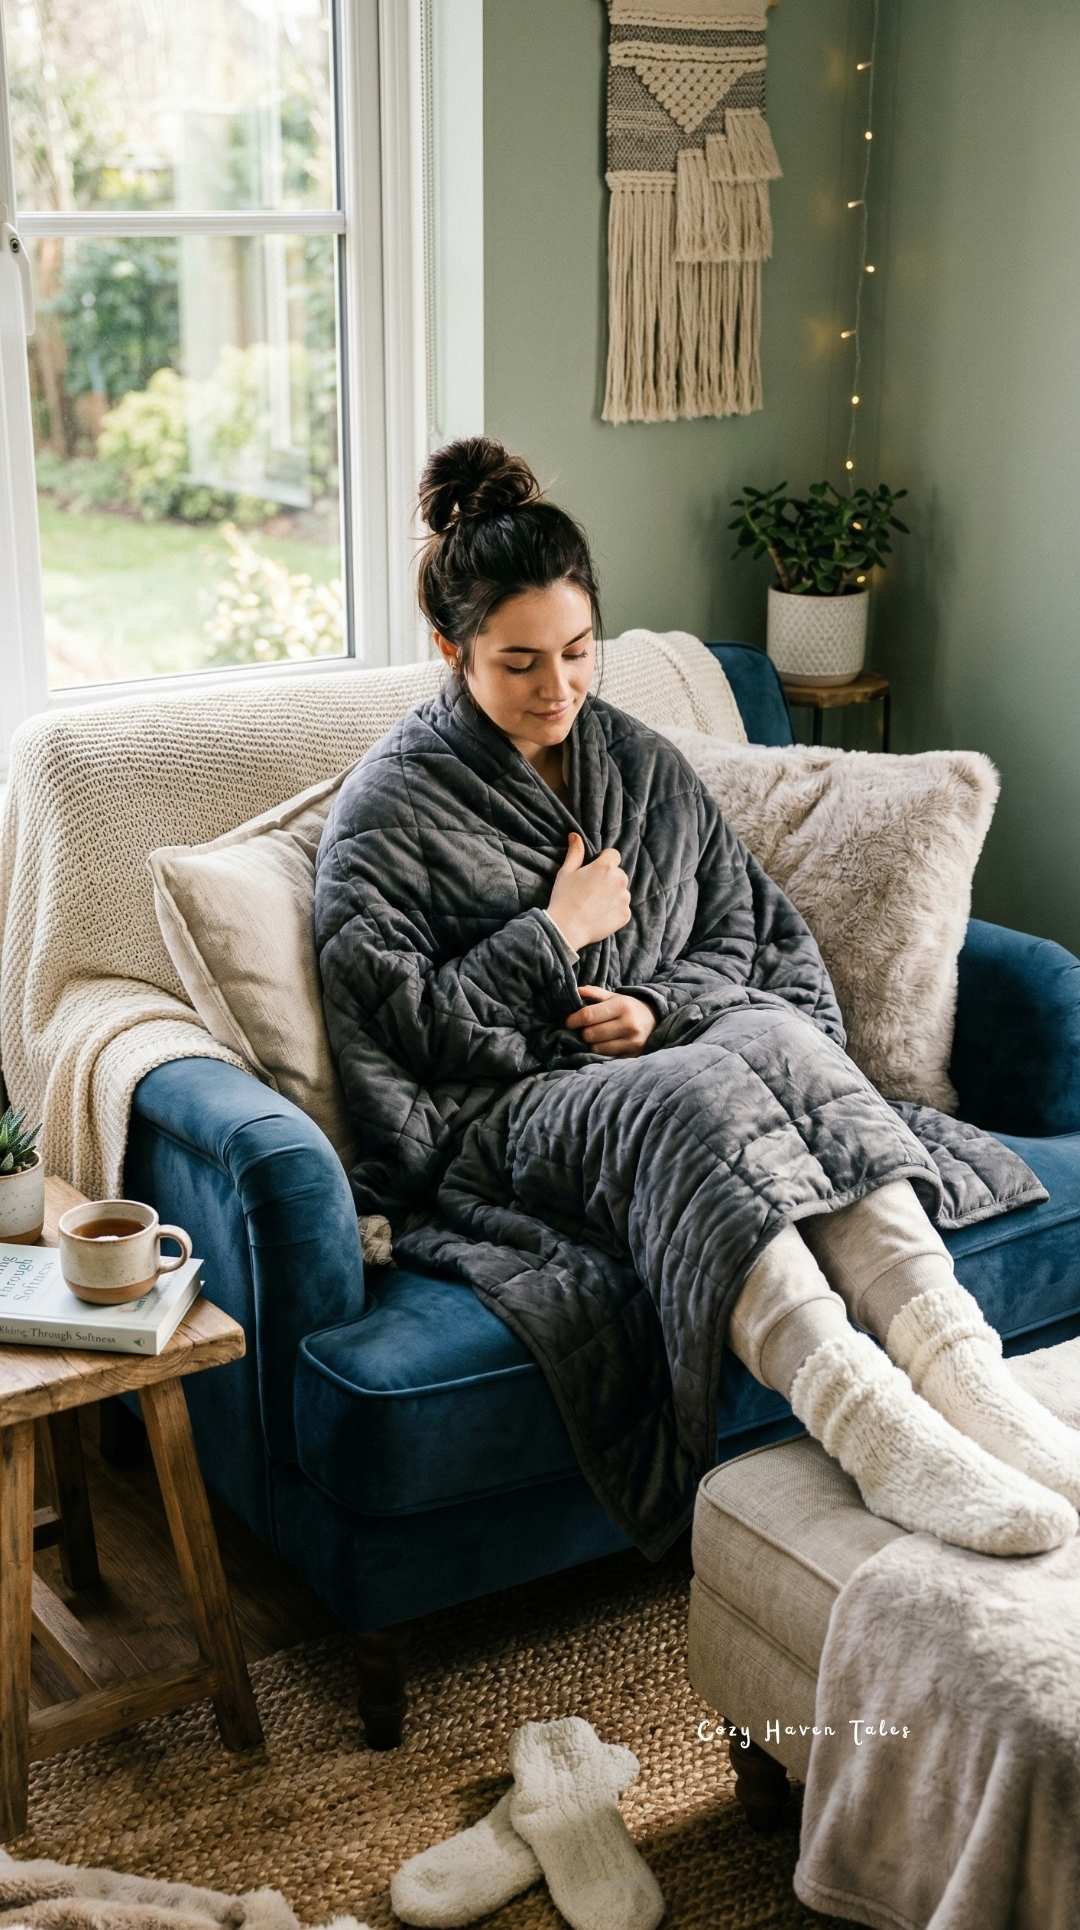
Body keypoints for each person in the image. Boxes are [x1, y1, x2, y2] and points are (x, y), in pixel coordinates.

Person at [314, 435, 1080, 1562]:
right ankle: (873, 1432)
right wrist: (553, 935)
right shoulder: (385, 810)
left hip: (659, 1050)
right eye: (520, 663)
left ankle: (967, 1378)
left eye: (579, 651)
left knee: (763, 1036)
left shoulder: (634, 755)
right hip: (502, 1116)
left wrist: (657, 1011)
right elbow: (400, 1024)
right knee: (683, 1099)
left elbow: (746, 930)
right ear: (451, 650)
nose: (559, 687)